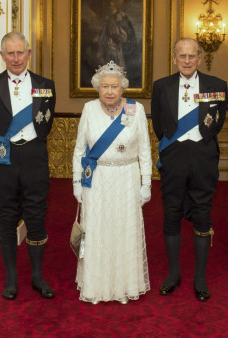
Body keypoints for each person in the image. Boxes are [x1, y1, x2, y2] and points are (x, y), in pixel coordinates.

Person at [0, 31, 56, 300]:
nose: (16, 58)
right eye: (10, 53)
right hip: (3, 159)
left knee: (36, 219)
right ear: (2, 56)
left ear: (28, 54)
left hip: (34, 158)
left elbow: (46, 124)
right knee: (7, 219)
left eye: (20, 52)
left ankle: (37, 277)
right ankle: (11, 279)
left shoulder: (46, 85)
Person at [150, 38, 227, 302]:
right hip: (173, 158)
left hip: (204, 157)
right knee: (171, 214)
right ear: (174, 58)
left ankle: (200, 278)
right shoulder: (161, 87)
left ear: (199, 57)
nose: (186, 61)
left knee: (203, 215)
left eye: (191, 56)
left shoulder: (217, 86)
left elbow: (216, 124)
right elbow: (159, 125)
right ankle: (173, 274)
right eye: (181, 56)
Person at [71, 61, 152, 304]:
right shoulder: (89, 109)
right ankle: (97, 287)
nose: (109, 91)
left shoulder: (135, 110)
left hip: (126, 178)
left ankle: (124, 287)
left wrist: (145, 182)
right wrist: (76, 181)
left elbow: (145, 151)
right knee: (97, 230)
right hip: (97, 179)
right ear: (97, 87)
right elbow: (79, 150)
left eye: (114, 87)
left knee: (124, 229)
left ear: (122, 88)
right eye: (104, 86)